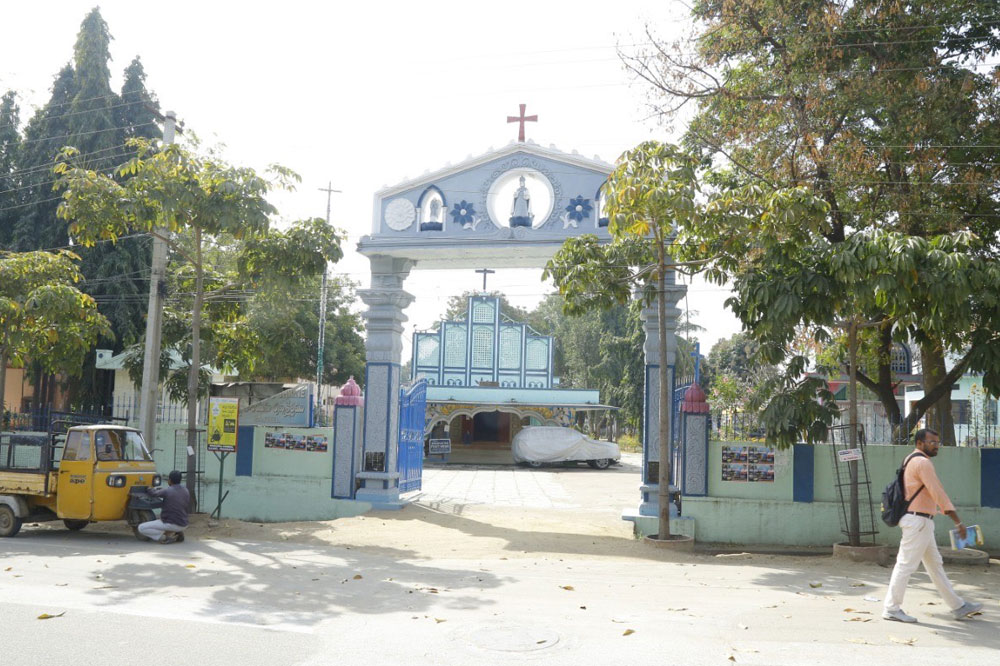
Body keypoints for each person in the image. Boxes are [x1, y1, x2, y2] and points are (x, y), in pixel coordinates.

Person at [883, 428, 983, 623]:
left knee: (935, 566)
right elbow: (938, 493)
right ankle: (891, 608)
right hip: (918, 521)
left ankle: (958, 606)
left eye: (937, 442)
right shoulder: (922, 462)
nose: (936, 446)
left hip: (922, 521)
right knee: (905, 565)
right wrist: (958, 521)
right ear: (920, 443)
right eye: (932, 442)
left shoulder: (911, 459)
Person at [138, 470, 190, 544]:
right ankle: (177, 532)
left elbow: (153, 493)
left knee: (141, 528)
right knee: (166, 521)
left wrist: (148, 488)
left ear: (170, 480)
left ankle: (167, 537)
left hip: (171, 524)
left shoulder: (168, 490)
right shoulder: (186, 490)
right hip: (184, 524)